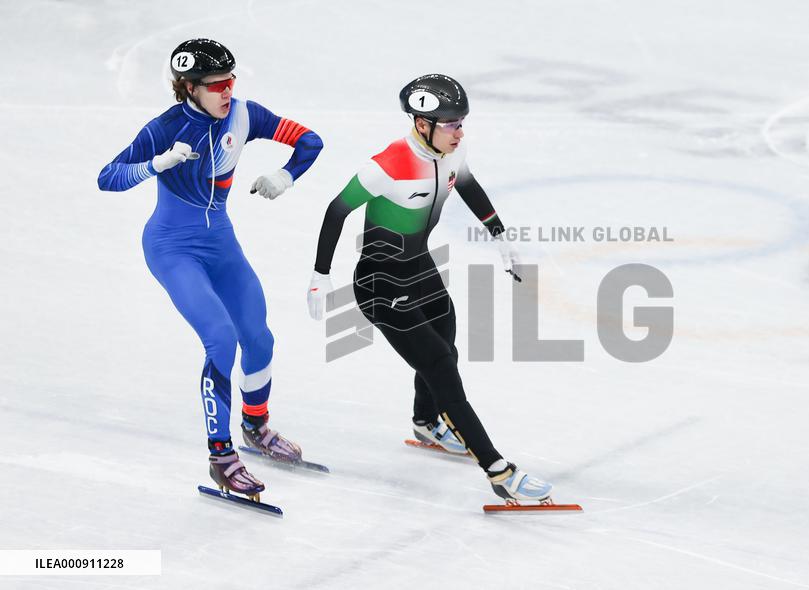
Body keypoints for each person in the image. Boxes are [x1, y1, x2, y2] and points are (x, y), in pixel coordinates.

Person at [308, 74, 554, 503]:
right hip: (380, 285)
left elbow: (470, 188)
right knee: (441, 365)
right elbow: (336, 211)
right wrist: (320, 276)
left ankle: (425, 422)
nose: (460, 132)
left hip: (420, 269)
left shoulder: (451, 152)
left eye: (461, 122)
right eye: (452, 123)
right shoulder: (387, 165)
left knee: (446, 339)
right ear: (423, 124)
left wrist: (501, 239)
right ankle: (498, 470)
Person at [97, 39, 323, 500]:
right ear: (188, 88)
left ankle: (255, 427)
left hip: (220, 243)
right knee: (221, 337)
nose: (227, 91)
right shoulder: (165, 127)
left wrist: (285, 175)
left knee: (258, 337)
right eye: (217, 85)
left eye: (231, 82)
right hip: (172, 248)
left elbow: (310, 141)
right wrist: (154, 164)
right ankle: (222, 456)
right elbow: (108, 176)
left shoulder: (244, 115)